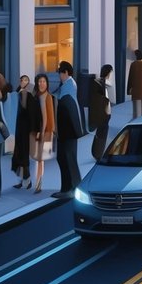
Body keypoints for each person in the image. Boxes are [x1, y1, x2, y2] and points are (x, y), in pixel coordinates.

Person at [53, 61, 84, 199]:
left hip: (68, 131)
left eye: (60, 72)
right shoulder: (67, 85)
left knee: (68, 158)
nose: (59, 75)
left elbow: (68, 109)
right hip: (65, 130)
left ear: (65, 73)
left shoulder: (69, 87)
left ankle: (73, 188)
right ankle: (67, 187)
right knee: (64, 158)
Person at [30, 73, 55, 194]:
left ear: (47, 83)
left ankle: (38, 184)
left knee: (41, 159)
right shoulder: (37, 96)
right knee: (39, 159)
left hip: (45, 132)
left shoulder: (47, 97)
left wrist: (41, 131)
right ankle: (38, 183)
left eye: (44, 81)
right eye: (39, 81)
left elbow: (46, 117)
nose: (41, 84)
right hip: (39, 131)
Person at [11, 75, 34, 188]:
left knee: (23, 154)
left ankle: (27, 180)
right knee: (19, 154)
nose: (22, 81)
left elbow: (27, 110)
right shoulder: (19, 92)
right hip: (19, 127)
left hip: (25, 129)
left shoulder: (27, 93)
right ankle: (22, 180)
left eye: (25, 80)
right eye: (21, 79)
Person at [88, 65, 113, 161]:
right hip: (103, 115)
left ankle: (97, 152)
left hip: (103, 114)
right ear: (108, 72)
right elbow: (102, 100)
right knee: (102, 134)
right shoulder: (100, 83)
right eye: (110, 72)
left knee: (100, 134)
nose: (111, 75)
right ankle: (98, 154)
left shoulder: (100, 82)